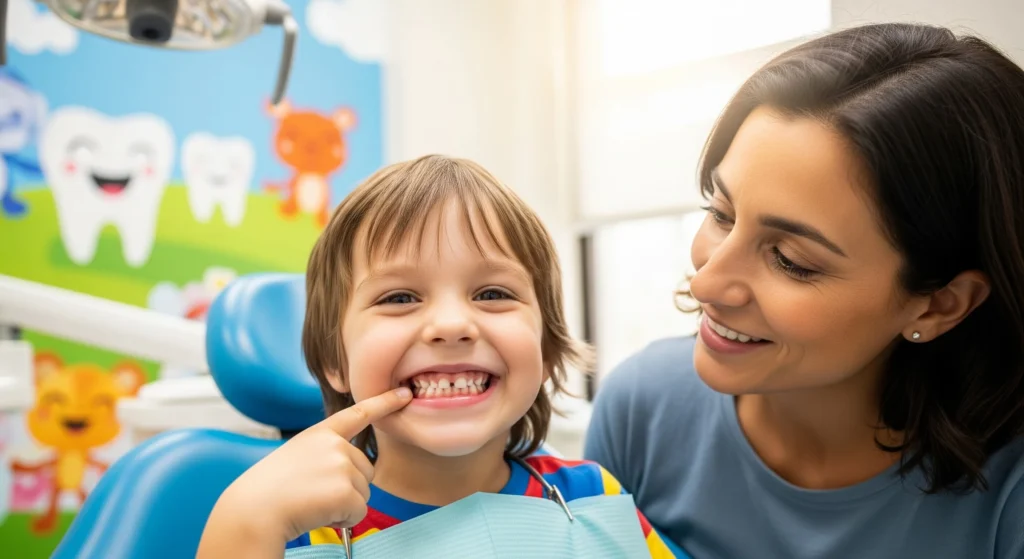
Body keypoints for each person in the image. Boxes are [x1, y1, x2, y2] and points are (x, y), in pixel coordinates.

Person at [584, 22, 1024, 559]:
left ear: (939, 304)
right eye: (720, 214)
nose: (706, 282)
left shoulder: (1010, 492)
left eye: (791, 261)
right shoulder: (640, 410)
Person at [197, 155, 676, 558]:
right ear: (336, 361)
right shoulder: (292, 526)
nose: (450, 325)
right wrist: (241, 524)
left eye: (491, 292)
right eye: (400, 298)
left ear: (547, 348)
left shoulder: (592, 497)